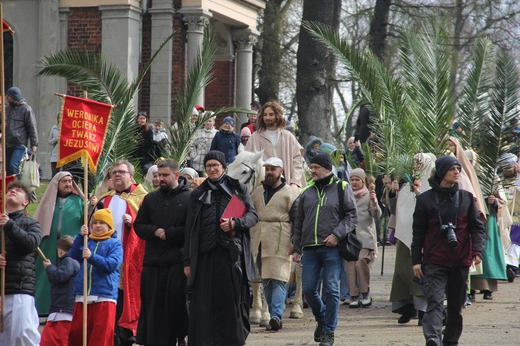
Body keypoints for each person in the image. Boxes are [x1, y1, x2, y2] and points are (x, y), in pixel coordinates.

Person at [184, 151, 259, 346]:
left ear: (223, 167)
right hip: (204, 258)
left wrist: (236, 223)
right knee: (203, 304)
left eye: (215, 165)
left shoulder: (238, 188)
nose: (212, 169)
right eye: (208, 166)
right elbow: (189, 230)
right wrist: (187, 261)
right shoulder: (197, 194)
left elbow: (253, 216)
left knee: (231, 302)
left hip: (230, 257)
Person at [412, 156, 486, 346]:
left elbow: (477, 228)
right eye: (452, 168)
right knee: (435, 302)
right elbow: (418, 233)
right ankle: (433, 338)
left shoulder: (467, 198)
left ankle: (451, 341)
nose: (456, 172)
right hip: (434, 260)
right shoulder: (424, 199)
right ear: (441, 172)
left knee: (455, 307)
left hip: (461, 260)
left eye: (458, 169)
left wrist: (477, 250)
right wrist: (416, 261)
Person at [292, 153, 358, 346]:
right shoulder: (306, 191)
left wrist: (337, 235)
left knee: (331, 289)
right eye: (311, 167)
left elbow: (352, 216)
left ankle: (329, 332)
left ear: (327, 168)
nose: (311, 171)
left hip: (332, 248)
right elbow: (299, 222)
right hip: (309, 249)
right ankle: (322, 318)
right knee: (309, 289)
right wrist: (296, 247)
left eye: (315, 167)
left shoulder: (342, 187)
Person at [135, 159, 191, 346]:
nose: (161, 179)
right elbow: (139, 226)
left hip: (177, 259)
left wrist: (170, 233)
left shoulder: (189, 198)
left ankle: (180, 335)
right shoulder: (151, 198)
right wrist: (155, 231)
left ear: (176, 175)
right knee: (153, 306)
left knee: (176, 302)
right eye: (158, 175)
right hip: (153, 261)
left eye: (165, 175)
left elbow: (192, 229)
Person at [98, 160, 148, 346]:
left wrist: (133, 221)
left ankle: (130, 331)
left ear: (131, 176)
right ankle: (113, 331)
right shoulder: (105, 199)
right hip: (108, 255)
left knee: (130, 295)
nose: (117, 175)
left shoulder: (143, 197)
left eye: (121, 172)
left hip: (132, 255)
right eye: (114, 173)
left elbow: (149, 224)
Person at [250, 157, 300, 331]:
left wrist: (296, 242)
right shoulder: (256, 192)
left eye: (273, 169)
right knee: (265, 279)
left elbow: (297, 220)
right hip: (258, 239)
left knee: (278, 278)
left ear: (281, 171)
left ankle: (276, 316)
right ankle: (273, 314)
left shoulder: (291, 193)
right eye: (267, 169)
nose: (269, 172)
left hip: (281, 238)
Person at [68, 209, 123, 346]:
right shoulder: (86, 241)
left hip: (104, 295)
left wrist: (92, 257)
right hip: (83, 294)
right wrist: (81, 236)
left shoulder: (115, 243)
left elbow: (112, 264)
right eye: (95, 222)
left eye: (102, 223)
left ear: (109, 226)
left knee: (101, 336)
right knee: (77, 334)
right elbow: (73, 256)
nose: (97, 226)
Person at [33, 171, 85, 316]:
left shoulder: (79, 201)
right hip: (49, 243)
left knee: (69, 275)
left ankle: (68, 309)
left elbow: (88, 220)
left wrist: (92, 205)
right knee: (46, 273)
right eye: (64, 181)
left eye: (70, 181)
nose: (68, 184)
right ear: (57, 183)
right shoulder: (49, 200)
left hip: (72, 245)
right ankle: (42, 308)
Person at [0, 181, 42, 345]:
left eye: (18, 190)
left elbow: (31, 244)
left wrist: (9, 225)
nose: (13, 190)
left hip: (19, 288)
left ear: (26, 202)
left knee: (23, 335)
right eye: (10, 189)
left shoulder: (31, 223)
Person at [245, 101, 305, 188]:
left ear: (277, 115)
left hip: (286, 186)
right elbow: (247, 163)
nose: (267, 117)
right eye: (265, 115)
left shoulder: (288, 137)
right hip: (261, 188)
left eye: (271, 114)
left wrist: (294, 182)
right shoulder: (255, 137)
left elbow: (297, 162)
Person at [347, 168, 381, 308]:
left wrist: (374, 202)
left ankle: (365, 292)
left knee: (360, 262)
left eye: (357, 180)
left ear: (363, 181)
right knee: (350, 265)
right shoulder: (346, 194)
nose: (354, 182)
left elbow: (377, 215)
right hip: (349, 236)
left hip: (365, 236)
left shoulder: (369, 195)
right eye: (352, 179)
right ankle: (353, 295)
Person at [40, 235, 80, 346]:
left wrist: (49, 268)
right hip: (62, 310)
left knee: (51, 341)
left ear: (60, 251)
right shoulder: (73, 262)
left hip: (63, 310)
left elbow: (59, 277)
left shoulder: (69, 261)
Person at [4, 86, 39, 176]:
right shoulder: (7, 109)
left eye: (8, 96)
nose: (6, 97)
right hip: (7, 143)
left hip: (20, 143)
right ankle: (10, 188)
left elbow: (32, 127)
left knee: (14, 165)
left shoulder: (26, 109)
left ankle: (18, 186)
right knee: (8, 169)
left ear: (14, 96)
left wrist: (34, 144)